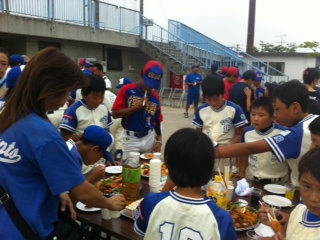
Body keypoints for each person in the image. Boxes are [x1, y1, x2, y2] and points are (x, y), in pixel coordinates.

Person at [0, 47, 125, 239]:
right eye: (67, 90)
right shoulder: (42, 134)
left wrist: (59, 191)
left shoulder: (11, 118)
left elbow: (21, 173)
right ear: (51, 88)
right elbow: (82, 193)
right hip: (29, 229)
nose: (68, 97)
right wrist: (110, 203)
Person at [134, 128, 237, 240]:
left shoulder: (150, 202)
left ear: (168, 165)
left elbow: (141, 231)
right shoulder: (222, 218)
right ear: (209, 168)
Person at [215, 80, 318, 187]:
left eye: (277, 109)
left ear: (295, 108)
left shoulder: (297, 133)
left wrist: (212, 153)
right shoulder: (314, 120)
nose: (275, 115)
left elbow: (249, 148)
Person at [258, 148, 320, 240]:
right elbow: (288, 235)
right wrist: (274, 223)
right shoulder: (300, 209)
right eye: (307, 186)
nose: (313, 198)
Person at [193, 75, 248, 172]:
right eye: (208, 99)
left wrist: (227, 148)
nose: (213, 103)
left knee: (224, 182)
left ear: (224, 93)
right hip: (207, 153)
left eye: (216, 98)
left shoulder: (234, 109)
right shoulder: (201, 110)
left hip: (226, 154)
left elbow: (240, 135)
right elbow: (198, 134)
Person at [112, 60, 163, 162]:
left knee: (149, 170)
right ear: (141, 75)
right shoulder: (127, 90)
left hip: (149, 137)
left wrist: (159, 140)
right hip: (131, 139)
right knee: (130, 171)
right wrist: (137, 108)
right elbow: (115, 114)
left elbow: (157, 120)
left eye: (153, 85)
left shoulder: (155, 97)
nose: (150, 87)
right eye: (148, 83)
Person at [235, 97, 289, 184]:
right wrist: (242, 172)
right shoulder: (248, 132)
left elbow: (289, 159)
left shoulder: (283, 133)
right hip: (253, 180)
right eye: (253, 114)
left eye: (261, 115)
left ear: (272, 117)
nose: (255, 119)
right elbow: (244, 153)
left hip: (277, 183)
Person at [60, 74, 114, 142]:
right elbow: (64, 137)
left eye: (102, 96)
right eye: (95, 98)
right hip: (81, 151)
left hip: (100, 151)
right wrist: (85, 137)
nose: (99, 100)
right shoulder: (73, 111)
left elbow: (107, 130)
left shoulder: (104, 109)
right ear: (84, 95)